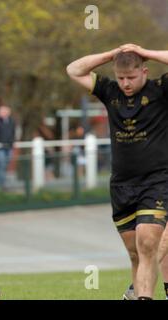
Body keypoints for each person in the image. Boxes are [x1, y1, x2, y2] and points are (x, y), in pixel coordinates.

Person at [67, 44, 168, 300]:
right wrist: (111, 55)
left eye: (131, 77)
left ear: (144, 71)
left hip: (156, 182)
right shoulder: (110, 91)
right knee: (135, 253)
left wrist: (146, 51)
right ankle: (138, 293)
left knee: (147, 244)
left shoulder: (160, 90)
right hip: (121, 185)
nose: (125, 83)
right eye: (121, 77)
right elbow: (73, 70)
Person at [0, 105, 16, 190]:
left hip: (9, 147)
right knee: (1, 165)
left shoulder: (12, 121)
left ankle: (2, 183)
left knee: (5, 165)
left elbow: (13, 133)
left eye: (3, 111)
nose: (1, 113)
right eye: (0, 111)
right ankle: (0, 186)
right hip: (0, 147)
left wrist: (11, 142)